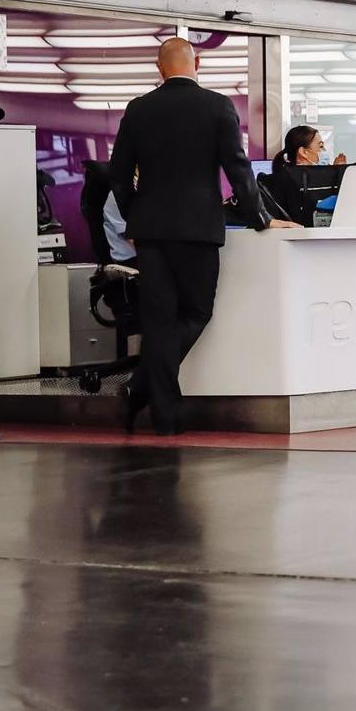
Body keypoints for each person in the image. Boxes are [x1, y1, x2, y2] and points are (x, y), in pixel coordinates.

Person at [110, 38, 290, 435]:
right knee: (196, 313)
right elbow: (238, 169)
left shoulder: (138, 110)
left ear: (158, 68)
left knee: (159, 321)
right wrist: (260, 217)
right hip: (198, 231)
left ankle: (157, 408)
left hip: (152, 234)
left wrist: (134, 218)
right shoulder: (217, 106)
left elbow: (118, 176)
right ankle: (143, 391)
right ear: (198, 63)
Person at [265, 125, 346, 228]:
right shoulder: (293, 181)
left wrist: (336, 173)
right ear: (304, 152)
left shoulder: (284, 175)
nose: (324, 151)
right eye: (320, 146)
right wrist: (337, 174)